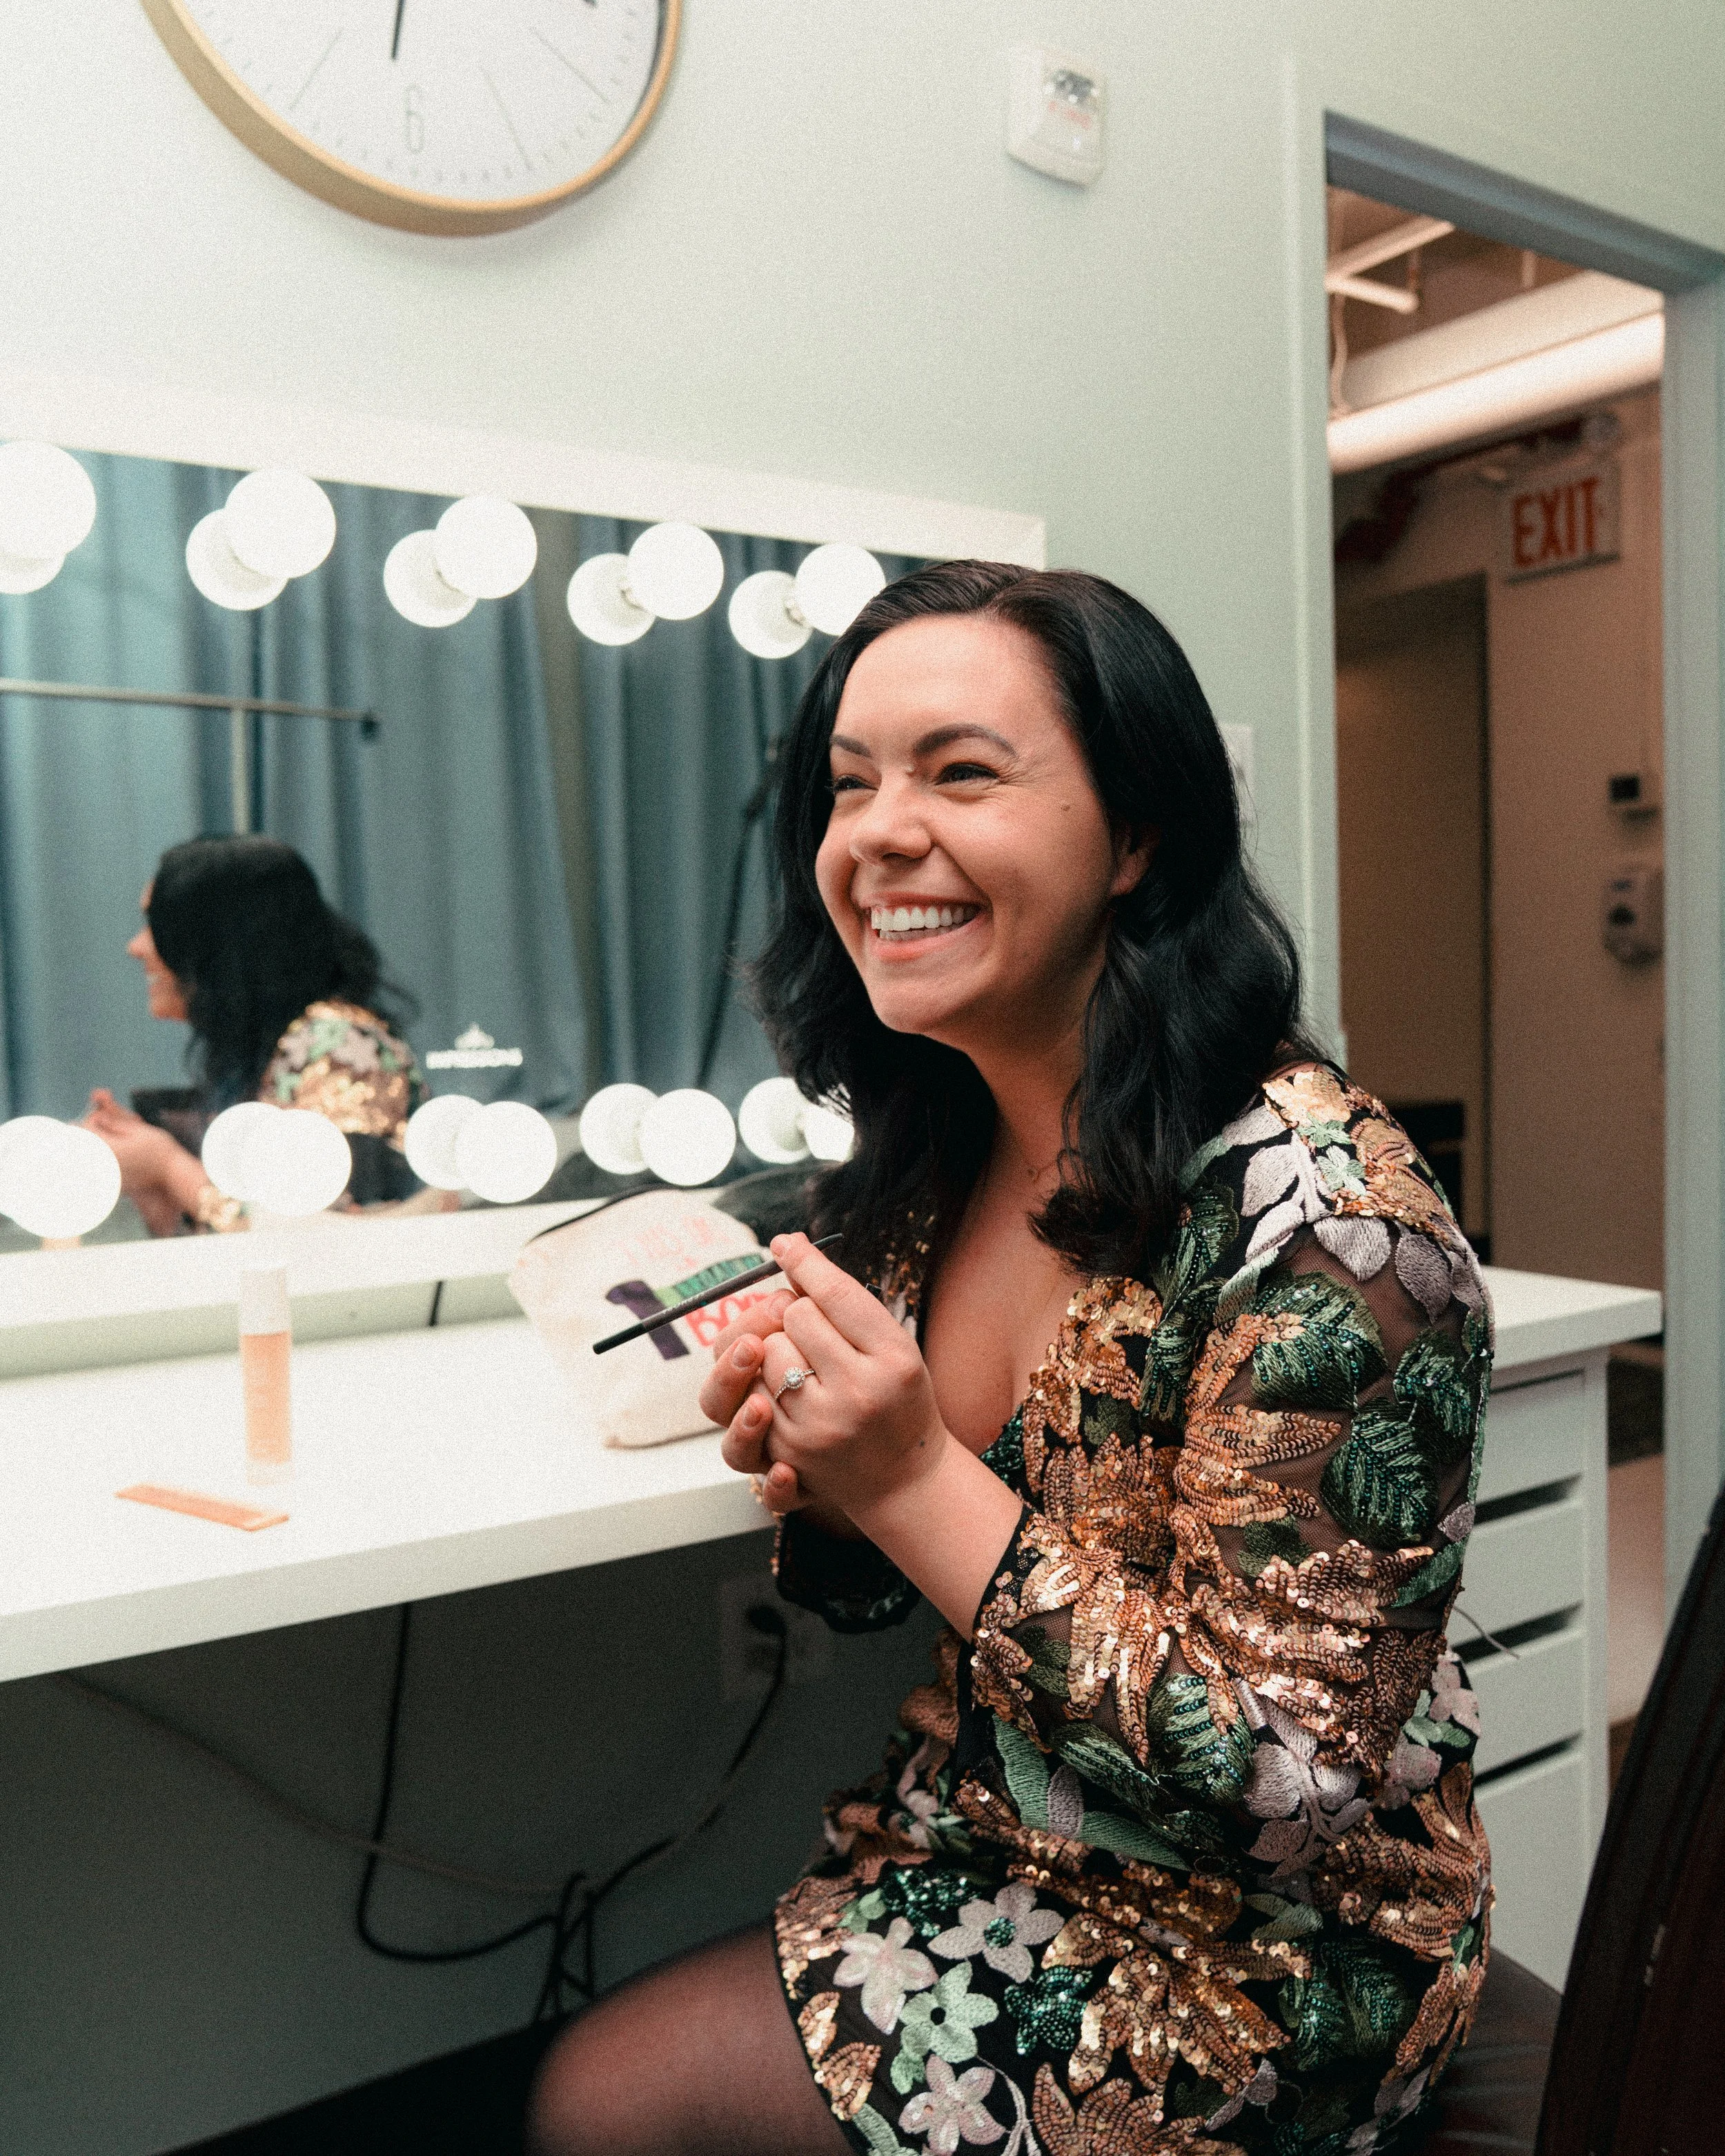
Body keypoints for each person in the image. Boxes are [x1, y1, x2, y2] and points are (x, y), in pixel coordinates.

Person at [529, 564, 1492, 2156]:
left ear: (1136, 837)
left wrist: (906, 1473)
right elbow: (880, 1581)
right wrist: (830, 1475)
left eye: (962, 770)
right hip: (992, 1822)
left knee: (604, 2095)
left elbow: (1287, 1783)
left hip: (1264, 1951)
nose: (880, 832)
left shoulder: (1329, 1234)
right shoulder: (939, 1153)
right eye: (850, 783)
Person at [84, 835, 428, 1234]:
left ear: (220, 944)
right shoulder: (266, 1053)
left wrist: (167, 1166)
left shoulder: (343, 1048)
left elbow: (327, 1240)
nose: (136, 946)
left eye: (157, 925)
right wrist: (146, 1177)